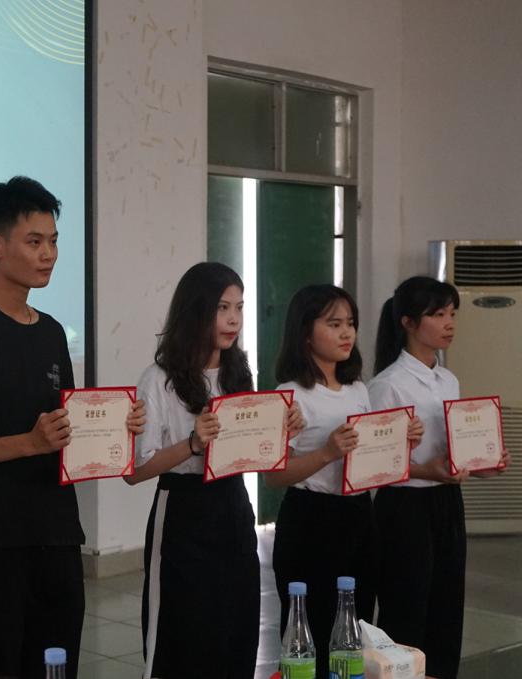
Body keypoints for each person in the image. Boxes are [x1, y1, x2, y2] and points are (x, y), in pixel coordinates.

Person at [0, 176, 145, 679]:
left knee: (57, 664)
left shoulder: (51, 333)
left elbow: (64, 429)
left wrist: (115, 428)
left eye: (53, 241)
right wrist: (28, 443)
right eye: (34, 241)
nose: (48, 254)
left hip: (56, 532)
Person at [125, 262, 304, 679]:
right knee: (185, 635)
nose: (234, 319)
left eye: (239, 308)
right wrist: (192, 443)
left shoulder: (237, 372)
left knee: (235, 628)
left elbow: (255, 455)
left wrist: (283, 431)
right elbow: (135, 470)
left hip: (232, 506)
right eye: (223, 308)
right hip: (182, 509)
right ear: (196, 310)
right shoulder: (158, 380)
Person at [267, 284, 421, 678]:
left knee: (355, 625)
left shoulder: (358, 390)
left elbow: (370, 461)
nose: (346, 333)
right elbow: (274, 475)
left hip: (358, 515)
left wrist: (400, 441)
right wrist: (326, 452)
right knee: (312, 627)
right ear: (305, 332)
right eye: (333, 324)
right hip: (310, 519)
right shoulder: (290, 394)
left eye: (350, 323)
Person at [369, 276, 510, 679]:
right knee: (406, 607)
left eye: (452, 314)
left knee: (447, 607)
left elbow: (453, 449)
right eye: (438, 314)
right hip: (404, 506)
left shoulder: (448, 379)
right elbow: (374, 463)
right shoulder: (388, 385)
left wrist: (484, 463)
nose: (449, 323)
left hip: (446, 501)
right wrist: (424, 470)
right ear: (408, 322)